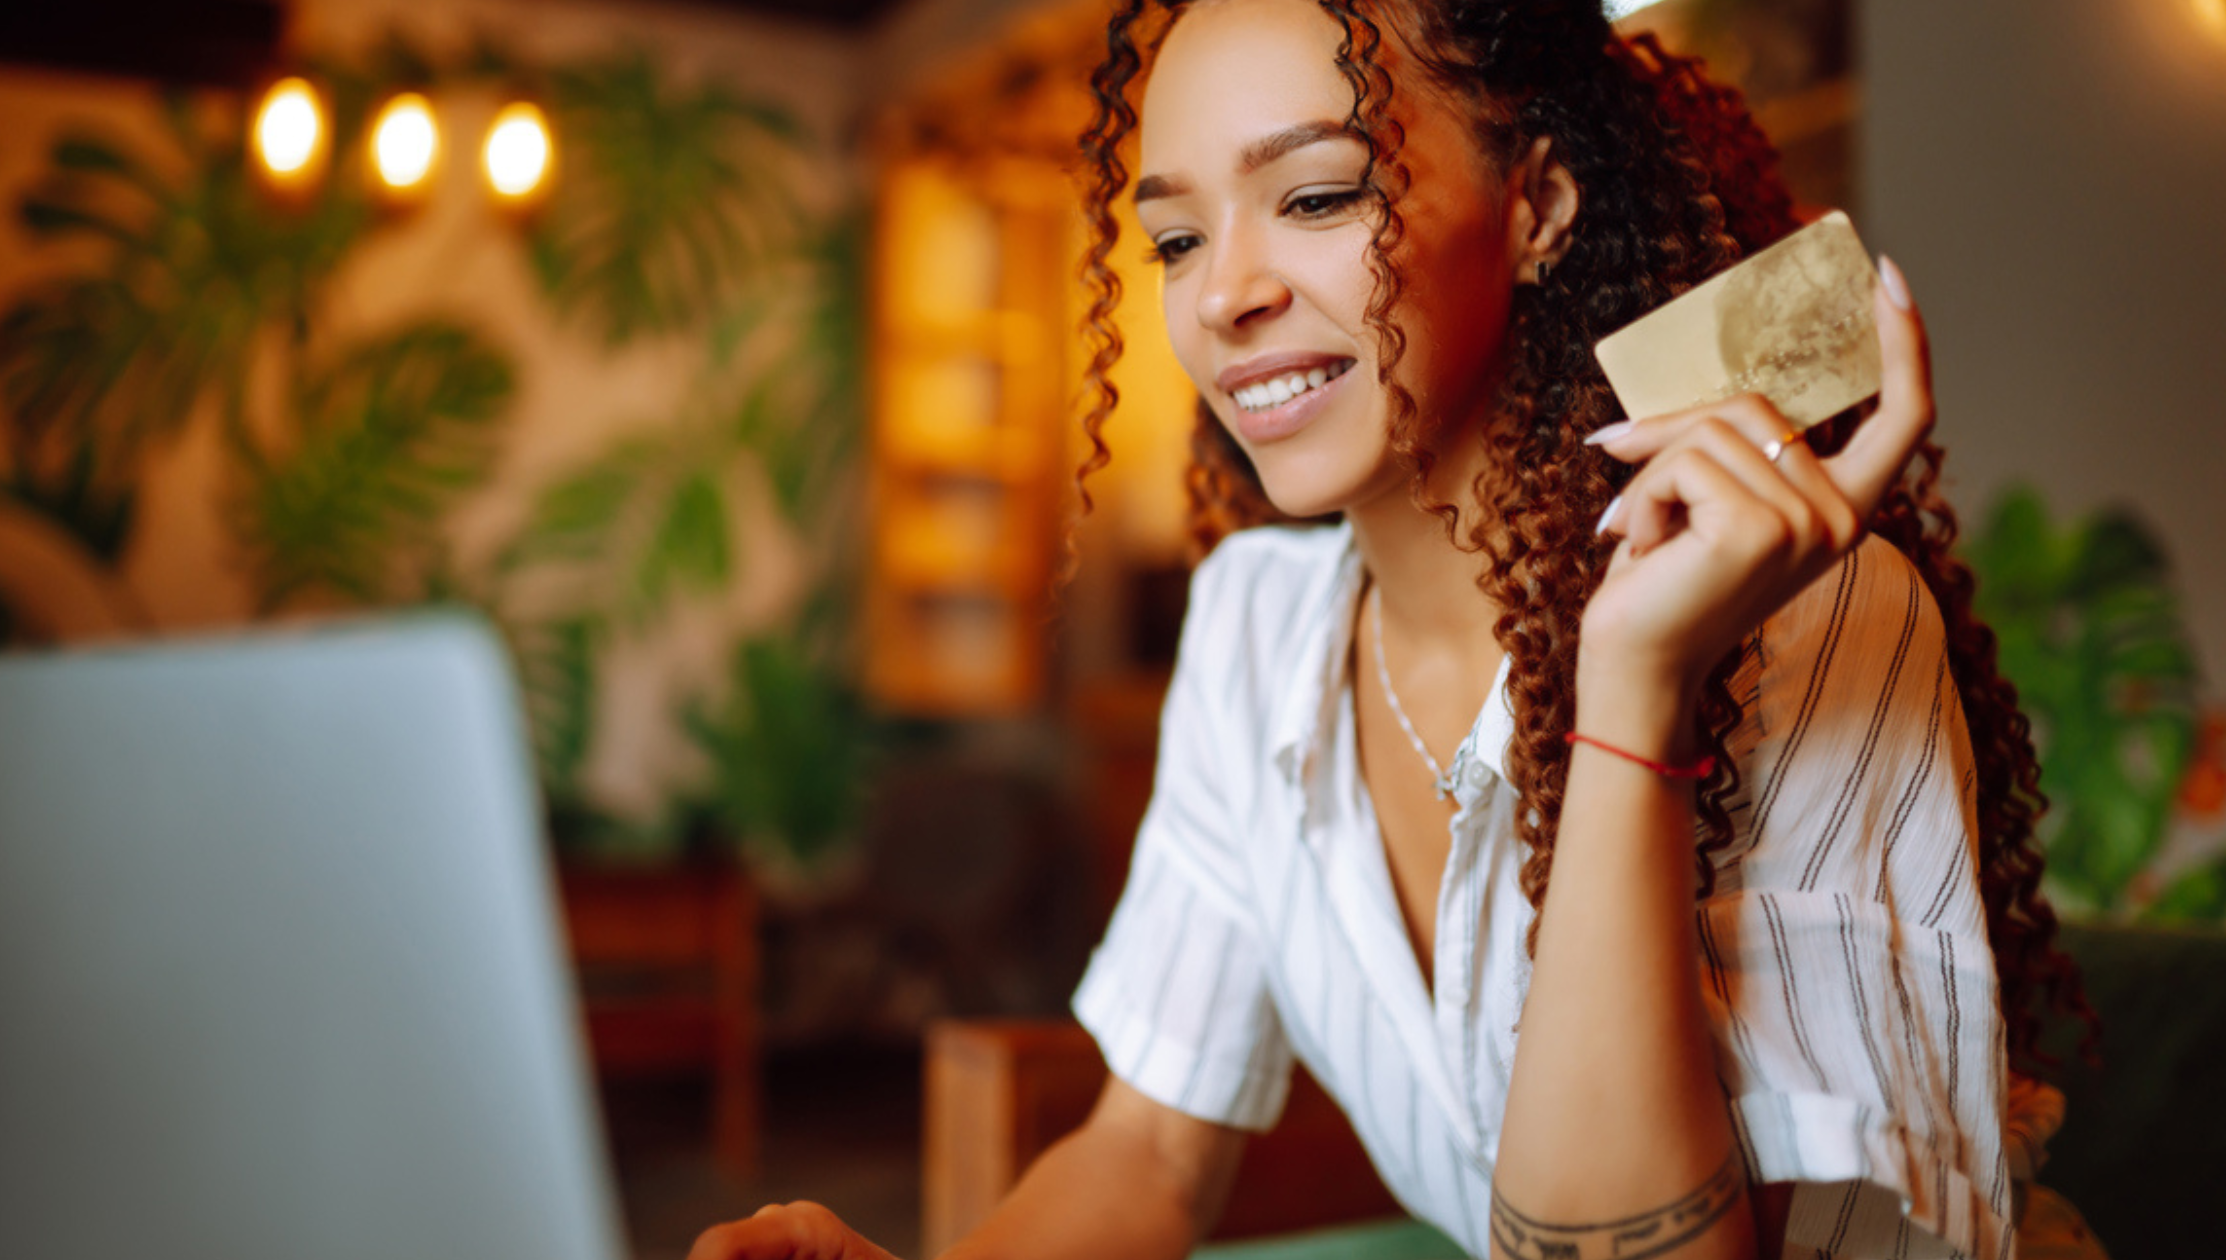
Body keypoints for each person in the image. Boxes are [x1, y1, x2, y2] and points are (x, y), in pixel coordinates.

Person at [690, 1, 2091, 1257]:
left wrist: (1634, 690)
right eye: (1176, 237)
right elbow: (1152, 1149)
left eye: (1315, 195)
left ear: (1537, 204)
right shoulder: (1254, 634)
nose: (1223, 294)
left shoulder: (1803, 624)